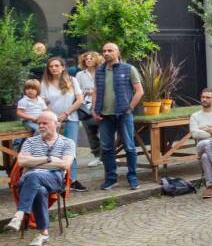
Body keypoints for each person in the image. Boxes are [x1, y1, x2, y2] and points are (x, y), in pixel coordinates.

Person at [5, 111, 75, 246]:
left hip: (54, 179)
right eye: (39, 123)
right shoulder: (30, 142)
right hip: (29, 180)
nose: (41, 126)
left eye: (45, 123)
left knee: (34, 175)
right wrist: (49, 159)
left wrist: (34, 162)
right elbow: (22, 161)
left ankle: (19, 214)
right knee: (39, 189)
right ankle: (43, 233)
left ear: (56, 124)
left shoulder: (67, 142)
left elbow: (65, 164)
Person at [93, 43, 144, 190]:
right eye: (104, 51)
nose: (107, 53)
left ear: (117, 52)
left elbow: (139, 91)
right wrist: (94, 110)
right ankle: (111, 179)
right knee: (106, 148)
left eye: (110, 50)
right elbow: (96, 90)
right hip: (104, 116)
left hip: (123, 115)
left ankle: (133, 178)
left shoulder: (129, 69)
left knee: (129, 147)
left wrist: (130, 107)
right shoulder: (99, 70)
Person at [39, 57, 84, 190]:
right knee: (53, 150)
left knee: (70, 149)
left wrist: (66, 113)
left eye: (56, 66)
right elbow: (41, 103)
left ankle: (72, 179)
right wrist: (52, 116)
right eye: (51, 66)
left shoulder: (72, 80)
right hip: (52, 121)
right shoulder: (44, 83)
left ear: (63, 67)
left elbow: (80, 99)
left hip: (71, 118)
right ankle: (55, 180)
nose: (53, 68)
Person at [74, 51, 104, 167]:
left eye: (91, 58)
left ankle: (107, 156)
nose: (89, 60)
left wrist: (95, 92)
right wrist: (88, 92)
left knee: (105, 133)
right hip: (86, 108)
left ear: (96, 59)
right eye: (86, 59)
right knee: (91, 134)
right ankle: (97, 157)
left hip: (101, 106)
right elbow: (77, 91)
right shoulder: (80, 75)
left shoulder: (102, 72)